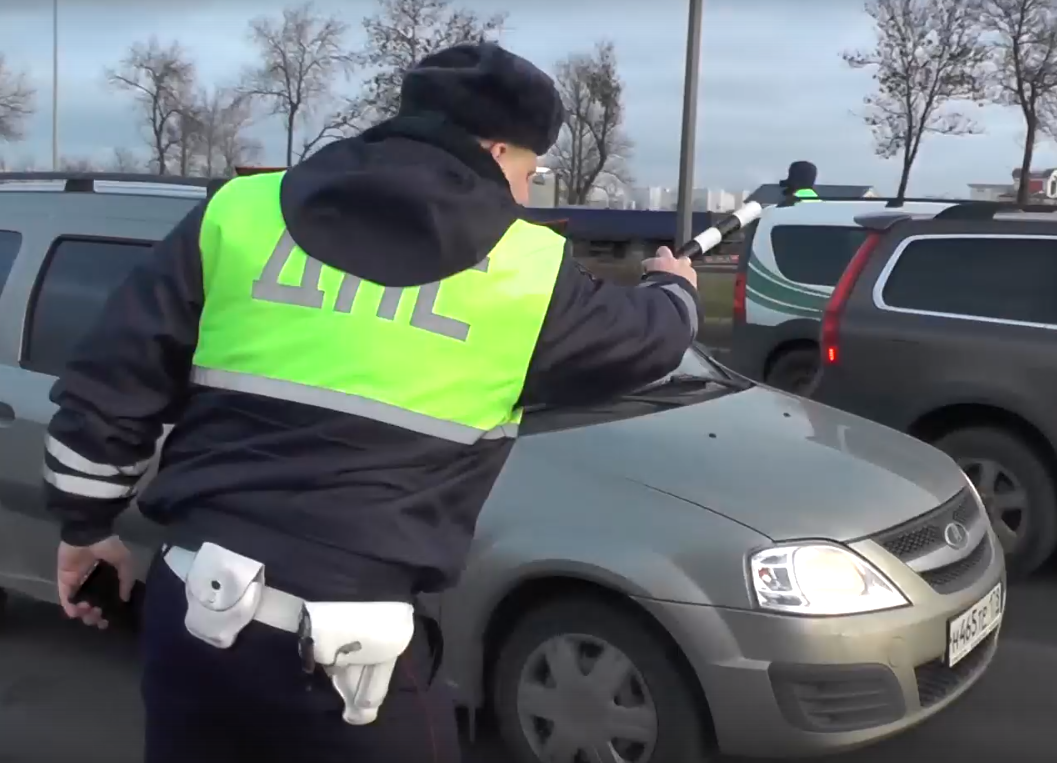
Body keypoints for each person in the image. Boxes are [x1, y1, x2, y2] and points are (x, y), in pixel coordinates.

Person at [42, 42, 700, 763]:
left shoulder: (241, 212)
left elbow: (113, 377)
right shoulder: (527, 269)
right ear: (500, 146)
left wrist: (86, 525)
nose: (522, 190)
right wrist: (676, 286)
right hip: (345, 657)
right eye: (527, 169)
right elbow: (648, 341)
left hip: (189, 618)